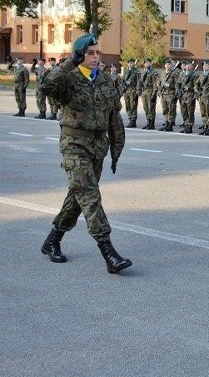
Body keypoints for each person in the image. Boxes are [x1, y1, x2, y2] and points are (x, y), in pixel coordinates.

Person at [39, 34, 131, 274]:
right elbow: (45, 85)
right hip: (74, 144)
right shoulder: (67, 78)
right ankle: (108, 251)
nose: (95, 56)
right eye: (90, 53)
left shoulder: (105, 80)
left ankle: (52, 240)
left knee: (78, 197)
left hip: (97, 146)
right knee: (90, 195)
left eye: (97, 52)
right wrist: (70, 62)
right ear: (80, 54)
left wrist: (116, 147)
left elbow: (114, 116)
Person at [195, 60, 209, 136]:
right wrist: (197, 90)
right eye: (203, 65)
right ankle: (205, 127)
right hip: (202, 97)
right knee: (203, 113)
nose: (204, 66)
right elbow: (196, 84)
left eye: (206, 65)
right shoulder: (201, 74)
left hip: (208, 97)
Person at [137, 58, 159, 130]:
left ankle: (152, 124)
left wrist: (154, 94)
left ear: (151, 63)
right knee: (146, 108)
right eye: (145, 63)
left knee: (151, 108)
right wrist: (139, 91)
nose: (146, 64)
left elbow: (155, 84)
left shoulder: (154, 72)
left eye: (148, 62)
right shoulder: (144, 72)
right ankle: (148, 122)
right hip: (144, 92)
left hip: (150, 91)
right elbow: (140, 82)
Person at [158, 59, 179, 132]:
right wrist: (159, 88)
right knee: (165, 110)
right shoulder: (162, 73)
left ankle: (170, 125)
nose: (167, 65)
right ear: (164, 65)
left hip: (170, 94)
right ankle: (166, 123)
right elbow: (159, 82)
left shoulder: (174, 74)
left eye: (169, 64)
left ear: (171, 65)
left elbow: (177, 84)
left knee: (171, 110)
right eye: (166, 64)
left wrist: (176, 94)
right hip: (163, 94)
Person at [178, 60, 198, 134]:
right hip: (183, 95)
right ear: (185, 66)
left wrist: (192, 91)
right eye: (186, 65)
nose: (188, 66)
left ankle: (190, 126)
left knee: (190, 112)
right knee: (184, 111)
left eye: (189, 65)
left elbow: (196, 85)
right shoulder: (182, 74)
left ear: (192, 66)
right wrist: (178, 90)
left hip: (190, 95)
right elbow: (178, 83)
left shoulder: (194, 75)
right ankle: (186, 124)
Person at [122, 58, 140, 127]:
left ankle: (133, 121)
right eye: (129, 63)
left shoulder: (136, 71)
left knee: (133, 106)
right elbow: (123, 79)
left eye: (132, 63)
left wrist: (137, 91)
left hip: (133, 90)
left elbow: (139, 82)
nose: (130, 64)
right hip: (126, 91)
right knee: (128, 106)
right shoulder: (126, 71)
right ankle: (130, 119)